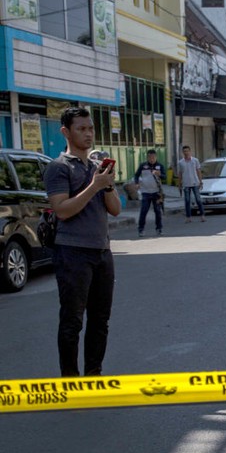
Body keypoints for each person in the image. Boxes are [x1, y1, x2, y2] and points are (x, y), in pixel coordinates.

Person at [43, 107, 121, 377]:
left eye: (90, 128)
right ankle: (69, 381)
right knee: (72, 321)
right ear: (66, 132)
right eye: (81, 129)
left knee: (100, 320)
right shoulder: (58, 167)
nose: (88, 134)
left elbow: (116, 210)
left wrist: (106, 184)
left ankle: (93, 375)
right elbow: (62, 209)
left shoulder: (95, 168)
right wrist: (94, 186)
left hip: (102, 251)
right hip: (72, 252)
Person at [134, 149, 165, 237]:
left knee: (157, 211)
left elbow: (164, 177)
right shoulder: (143, 166)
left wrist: (159, 174)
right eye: (150, 157)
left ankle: (159, 228)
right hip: (145, 192)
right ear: (147, 157)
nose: (151, 159)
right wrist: (136, 183)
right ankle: (141, 229)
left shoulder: (159, 166)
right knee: (144, 211)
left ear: (156, 157)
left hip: (157, 192)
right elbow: (136, 175)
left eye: (153, 157)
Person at [177, 145, 206, 223]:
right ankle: (188, 217)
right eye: (184, 151)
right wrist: (179, 183)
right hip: (186, 184)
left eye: (187, 151)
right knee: (187, 200)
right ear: (182, 152)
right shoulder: (181, 162)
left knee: (198, 200)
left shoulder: (195, 160)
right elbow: (180, 174)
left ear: (190, 151)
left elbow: (198, 171)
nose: (186, 153)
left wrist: (200, 181)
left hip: (195, 183)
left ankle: (202, 215)